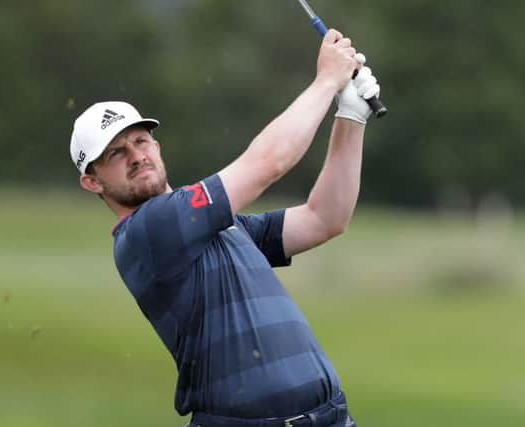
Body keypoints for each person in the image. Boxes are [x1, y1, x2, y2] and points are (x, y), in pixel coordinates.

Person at [69, 29, 380, 427]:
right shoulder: (149, 231)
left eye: (141, 141)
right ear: (92, 181)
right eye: (115, 152)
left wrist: (351, 116)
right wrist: (325, 82)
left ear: (156, 145)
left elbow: (326, 218)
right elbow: (268, 163)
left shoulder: (218, 226)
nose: (136, 156)